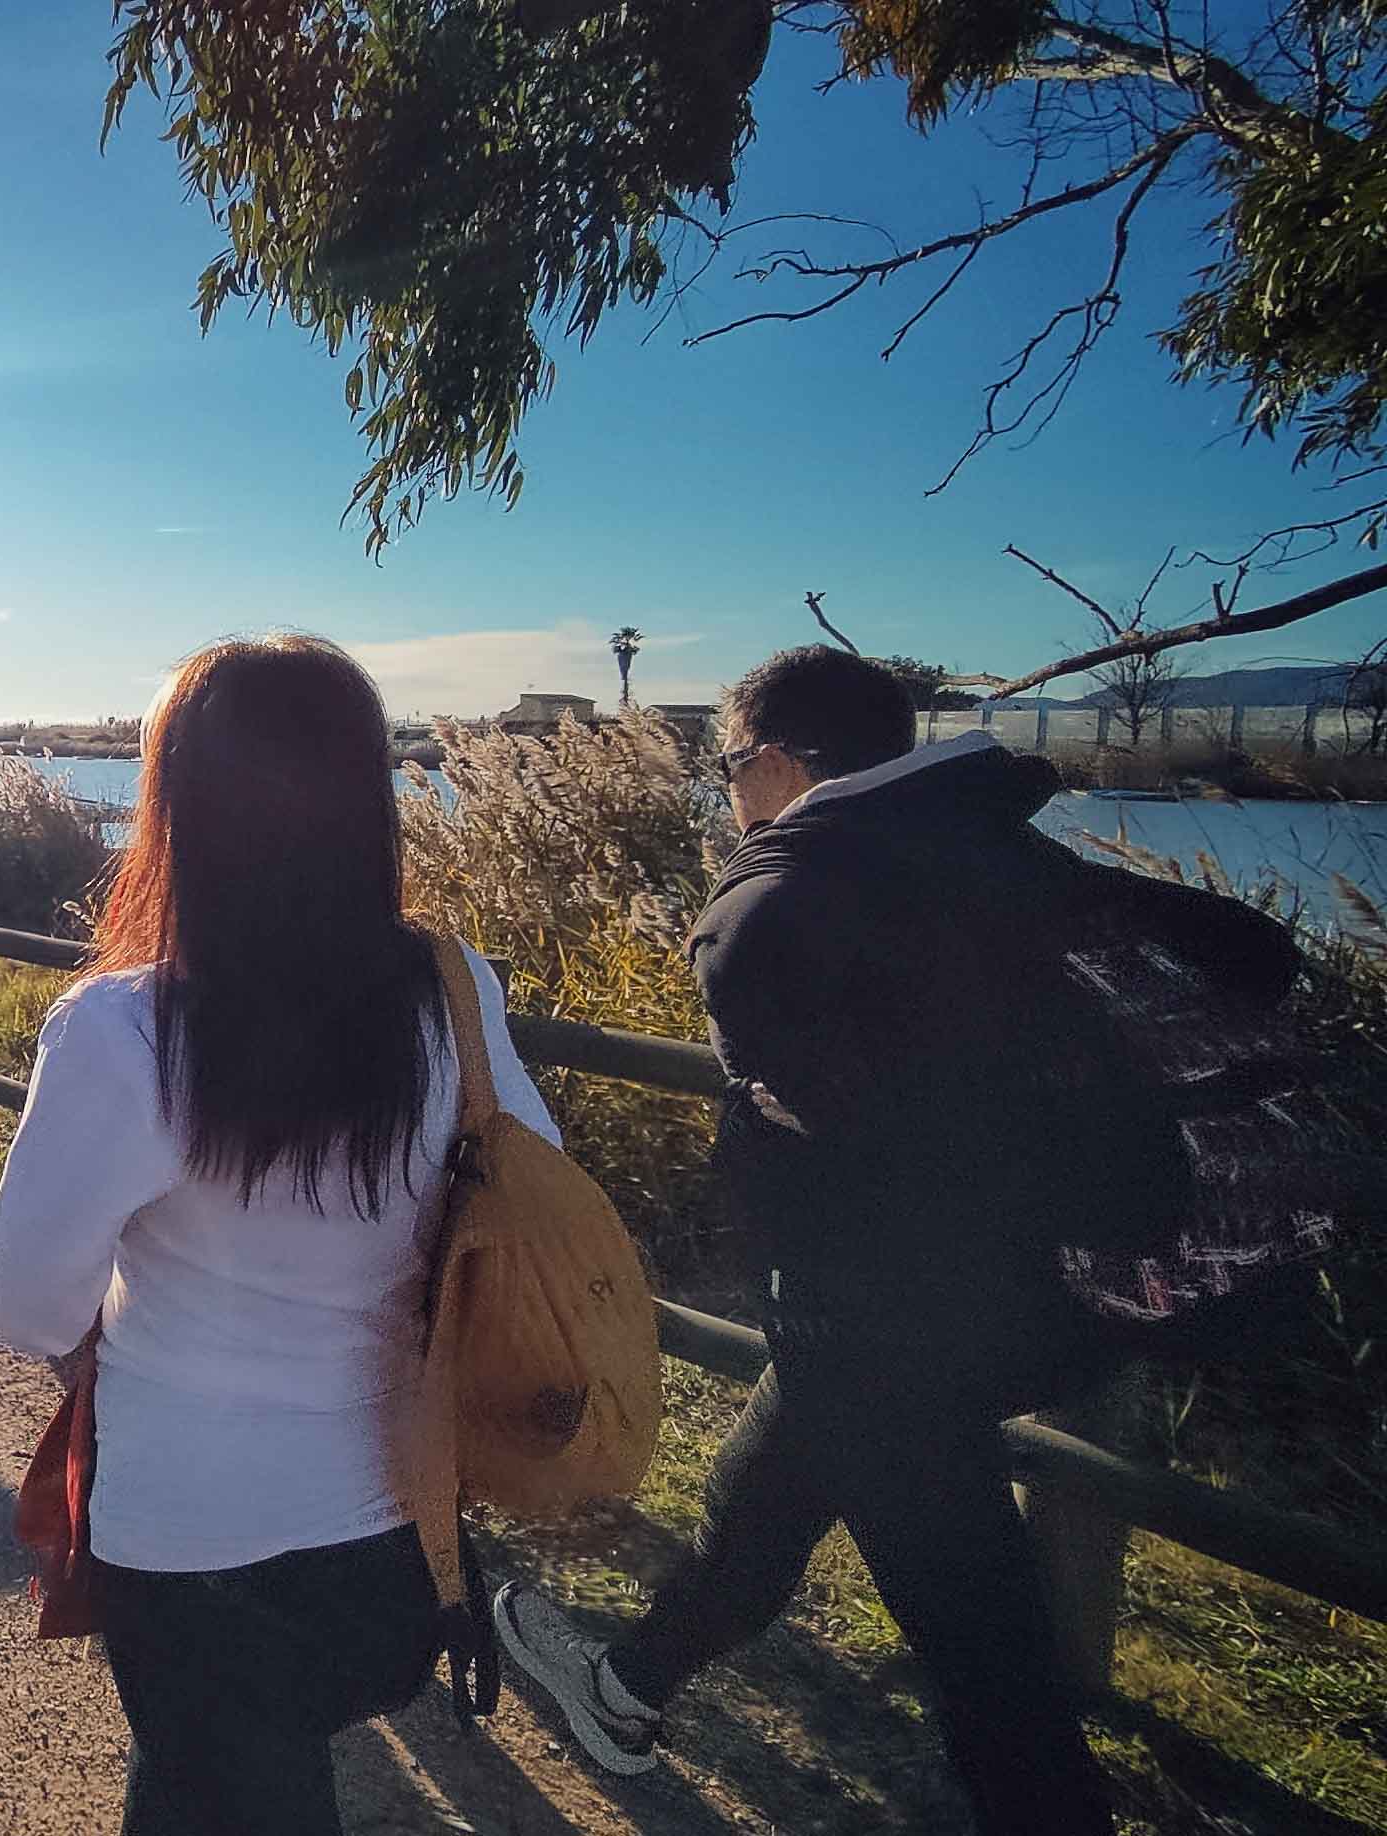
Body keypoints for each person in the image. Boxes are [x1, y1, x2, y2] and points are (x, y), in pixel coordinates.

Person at [492, 646, 1295, 1835]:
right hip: (1032, 1303)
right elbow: (1254, 957)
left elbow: (874, 1121)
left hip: (883, 1322)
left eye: (728, 769)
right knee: (757, 1498)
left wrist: (796, 1107)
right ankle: (627, 1685)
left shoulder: (776, 905)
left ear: (772, 758)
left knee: (985, 1649)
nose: (728, 794)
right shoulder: (1005, 851)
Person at [0, 637, 557, 1836]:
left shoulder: (125, 1030)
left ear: (177, 801)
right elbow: (538, 1196)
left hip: (193, 1548)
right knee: (255, 1780)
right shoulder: (456, 994)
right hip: (401, 1538)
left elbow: (30, 1306)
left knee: (219, 1787)